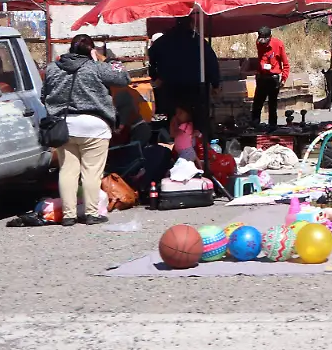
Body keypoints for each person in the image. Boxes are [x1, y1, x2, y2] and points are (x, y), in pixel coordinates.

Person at [42, 34, 129, 226]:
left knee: (67, 170)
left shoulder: (53, 69)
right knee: (91, 171)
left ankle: (68, 215)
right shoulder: (96, 67)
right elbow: (123, 77)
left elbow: (44, 95)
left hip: (64, 125)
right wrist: (107, 59)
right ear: (91, 50)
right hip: (94, 125)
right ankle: (91, 213)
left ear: (70, 49)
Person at [147, 16, 220, 129]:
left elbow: (150, 58)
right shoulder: (198, 41)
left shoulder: (164, 40)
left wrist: (156, 76)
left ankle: (177, 142)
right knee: (197, 120)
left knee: (176, 118)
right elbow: (211, 62)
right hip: (195, 86)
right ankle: (197, 142)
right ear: (191, 24)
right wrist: (215, 84)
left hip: (172, 86)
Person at [252, 26, 289, 130]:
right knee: (257, 103)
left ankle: (272, 125)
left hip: (273, 78)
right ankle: (255, 124)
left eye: (265, 40)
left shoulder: (278, 44)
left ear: (270, 37)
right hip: (262, 77)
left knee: (272, 104)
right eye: (261, 40)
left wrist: (284, 78)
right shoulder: (259, 43)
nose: (263, 43)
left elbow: (286, 64)